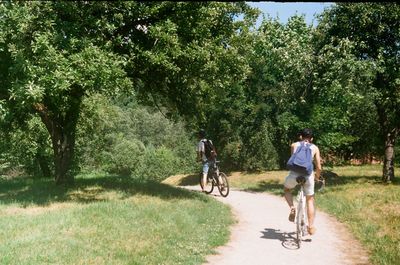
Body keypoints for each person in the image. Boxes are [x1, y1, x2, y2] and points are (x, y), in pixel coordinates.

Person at [283, 128, 322, 235]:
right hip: (308, 175)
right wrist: (317, 177)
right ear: (312, 138)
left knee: (286, 189)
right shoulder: (315, 148)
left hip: (294, 174)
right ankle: (311, 227)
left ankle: (292, 207)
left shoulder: (294, 145)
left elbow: (293, 161)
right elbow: (318, 167)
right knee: (310, 200)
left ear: (301, 136)